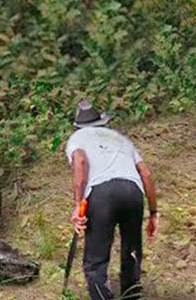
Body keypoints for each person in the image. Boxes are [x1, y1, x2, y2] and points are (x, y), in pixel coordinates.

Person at [66, 100, 159, 300]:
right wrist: (153, 213)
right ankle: (131, 292)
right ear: (102, 123)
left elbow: (80, 161)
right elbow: (146, 173)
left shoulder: (77, 138)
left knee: (95, 262)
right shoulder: (121, 139)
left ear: (78, 125)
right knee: (131, 250)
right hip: (133, 192)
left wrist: (77, 206)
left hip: (102, 195)